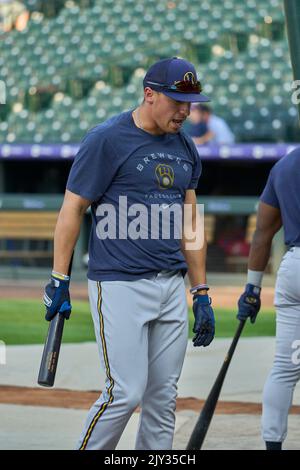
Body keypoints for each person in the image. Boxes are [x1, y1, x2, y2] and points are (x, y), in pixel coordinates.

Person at [43, 57, 216, 450]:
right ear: (149, 94)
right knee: (124, 393)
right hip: (120, 283)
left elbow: (190, 222)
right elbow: (73, 208)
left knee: (162, 399)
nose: (186, 112)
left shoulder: (186, 146)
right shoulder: (107, 139)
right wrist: (60, 277)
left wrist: (201, 291)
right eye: (177, 101)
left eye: (190, 103)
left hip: (172, 285)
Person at [237, 147, 300, 450]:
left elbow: (262, 233)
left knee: (285, 368)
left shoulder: (284, 165)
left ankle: (273, 445)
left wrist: (253, 289)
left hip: (293, 269)